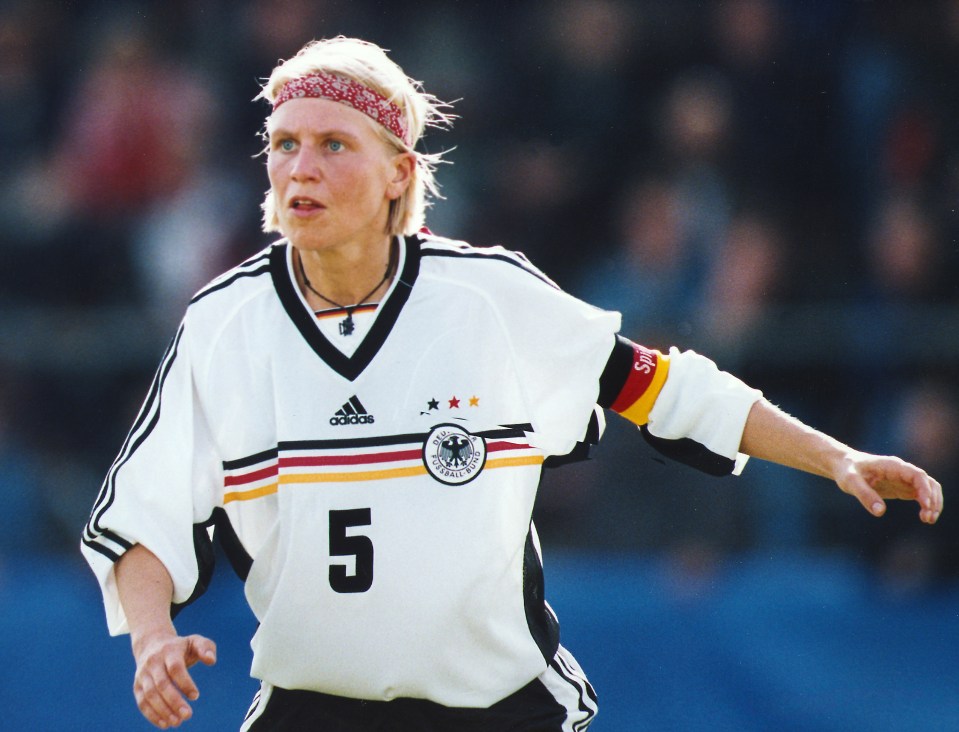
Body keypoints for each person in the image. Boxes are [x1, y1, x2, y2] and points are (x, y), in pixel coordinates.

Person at [80, 37, 943, 732]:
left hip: (497, 715)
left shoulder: (487, 296)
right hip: (310, 711)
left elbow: (667, 390)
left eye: (333, 144)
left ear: (398, 176)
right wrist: (152, 636)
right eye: (283, 144)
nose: (299, 167)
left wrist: (835, 458)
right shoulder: (224, 324)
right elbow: (146, 514)